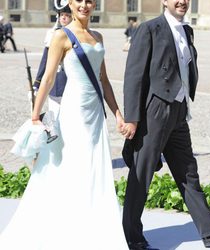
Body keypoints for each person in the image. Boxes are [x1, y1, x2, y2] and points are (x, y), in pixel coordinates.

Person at [0, 0, 128, 249]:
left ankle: (91, 229)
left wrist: (118, 114)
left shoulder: (98, 36)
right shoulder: (61, 36)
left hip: (95, 116)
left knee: (93, 168)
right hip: (73, 113)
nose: (85, 5)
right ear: (71, 3)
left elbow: (104, 80)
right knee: (72, 167)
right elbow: (48, 78)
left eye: (90, 1)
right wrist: (36, 114)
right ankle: (68, 231)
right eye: (80, 0)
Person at [121, 0, 210, 249]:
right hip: (154, 111)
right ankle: (131, 236)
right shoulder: (149, 28)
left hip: (178, 110)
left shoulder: (187, 30)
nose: (182, 1)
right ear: (164, 1)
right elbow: (134, 74)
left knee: (188, 172)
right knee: (141, 174)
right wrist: (132, 118)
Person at [32, 5, 72, 115]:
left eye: (67, 15)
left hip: (74, 81)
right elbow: (45, 60)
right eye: (62, 15)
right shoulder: (52, 34)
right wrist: (37, 82)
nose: (63, 18)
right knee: (55, 116)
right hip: (57, 80)